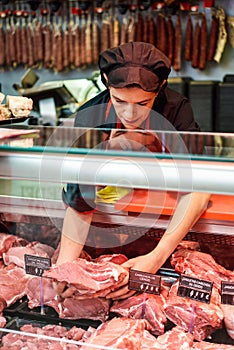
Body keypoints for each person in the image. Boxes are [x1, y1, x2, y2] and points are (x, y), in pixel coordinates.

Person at [56, 42, 211, 300]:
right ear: (105, 81)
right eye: (119, 101)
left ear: (160, 87)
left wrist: (155, 259)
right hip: (118, 217)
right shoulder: (90, 116)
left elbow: (198, 186)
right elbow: (80, 196)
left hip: (170, 216)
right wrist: (65, 267)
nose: (130, 113)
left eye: (142, 103)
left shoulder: (176, 109)